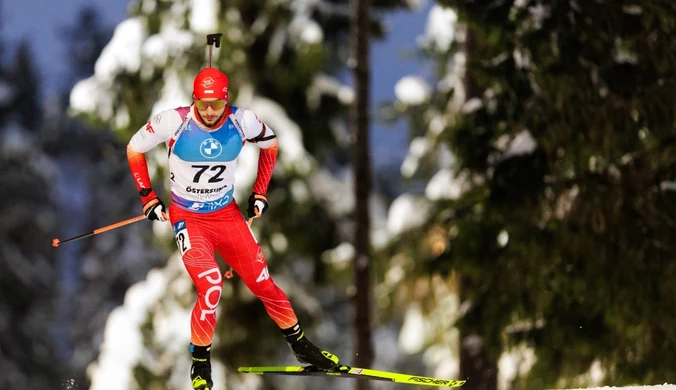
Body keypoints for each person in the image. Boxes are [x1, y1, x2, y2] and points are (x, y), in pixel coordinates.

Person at [126, 67, 340, 390]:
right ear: (194, 100)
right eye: (202, 104)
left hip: (226, 216)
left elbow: (270, 145)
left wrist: (260, 191)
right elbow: (134, 148)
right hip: (189, 218)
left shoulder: (242, 122)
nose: (209, 111)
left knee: (263, 282)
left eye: (216, 104)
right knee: (211, 285)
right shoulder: (175, 121)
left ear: (226, 100)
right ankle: (200, 364)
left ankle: (302, 346)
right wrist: (148, 197)